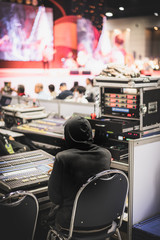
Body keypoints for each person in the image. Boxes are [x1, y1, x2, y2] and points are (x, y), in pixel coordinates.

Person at [48, 116, 111, 230]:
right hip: (103, 218)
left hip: (72, 222)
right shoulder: (106, 155)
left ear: (68, 135)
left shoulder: (62, 158)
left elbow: (54, 198)